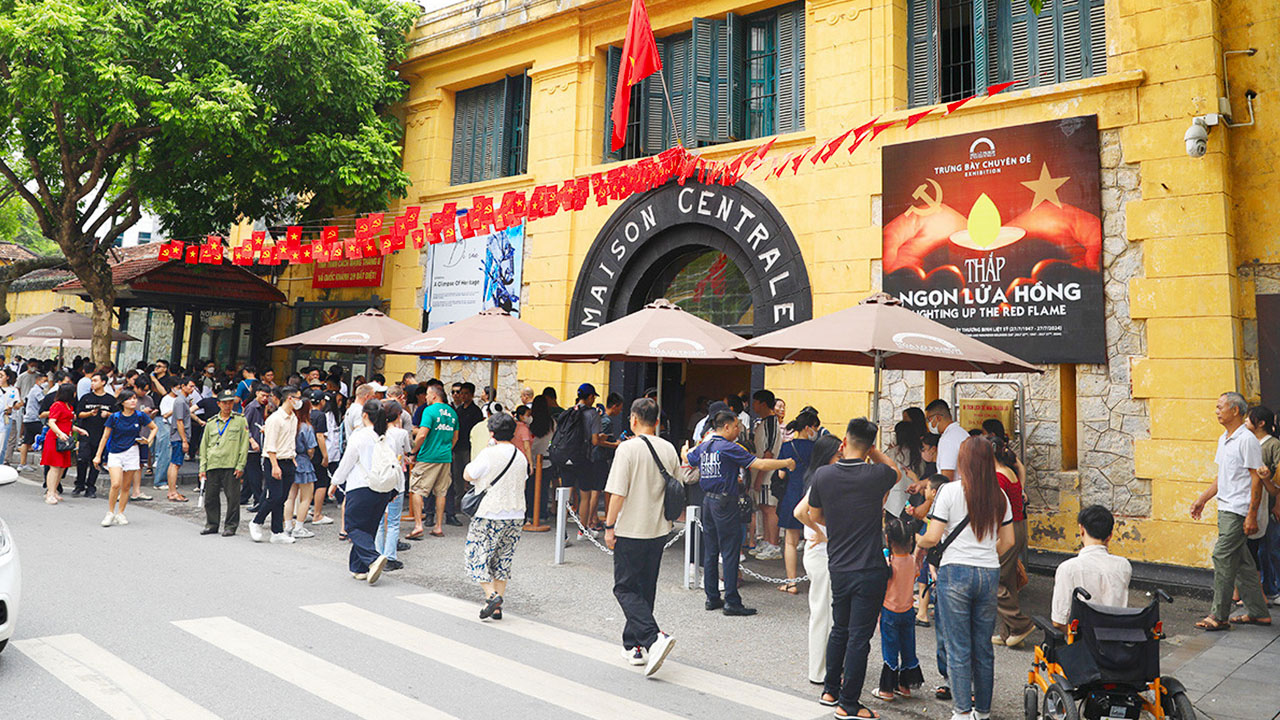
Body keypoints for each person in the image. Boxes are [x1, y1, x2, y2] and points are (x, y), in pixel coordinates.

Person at [804, 418, 901, 719]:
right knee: (860, 637)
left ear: (844, 441)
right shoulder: (876, 474)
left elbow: (815, 513)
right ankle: (849, 704)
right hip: (870, 565)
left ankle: (830, 689)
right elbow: (896, 471)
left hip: (838, 564)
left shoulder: (823, 475)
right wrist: (874, 452)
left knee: (840, 629)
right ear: (870, 446)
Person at [918, 436, 1014, 720]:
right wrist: (985, 554)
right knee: (982, 647)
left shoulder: (948, 491)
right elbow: (1008, 542)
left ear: (963, 462)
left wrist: (918, 541)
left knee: (958, 646)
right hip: (988, 572)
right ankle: (982, 712)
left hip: (955, 572)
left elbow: (933, 537)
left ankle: (962, 712)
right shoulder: (1001, 495)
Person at [686, 410, 795, 617]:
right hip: (725, 503)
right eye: (736, 426)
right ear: (726, 427)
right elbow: (760, 463)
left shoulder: (705, 446)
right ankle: (732, 602)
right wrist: (785, 463)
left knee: (711, 550)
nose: (738, 430)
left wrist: (684, 449)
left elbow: (688, 457)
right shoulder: (728, 447)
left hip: (707, 500)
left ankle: (712, 597)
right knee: (729, 551)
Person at [603, 397, 680, 677]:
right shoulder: (669, 449)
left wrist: (609, 526)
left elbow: (617, 493)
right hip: (658, 528)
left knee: (624, 588)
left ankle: (652, 638)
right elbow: (676, 486)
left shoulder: (627, 449)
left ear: (633, 419)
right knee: (645, 587)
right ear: (657, 421)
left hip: (629, 529)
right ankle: (633, 644)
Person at [1191, 391, 1272, 629]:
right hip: (1226, 508)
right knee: (1242, 562)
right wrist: (1202, 499)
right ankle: (1259, 612)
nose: (1216, 411)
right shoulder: (1225, 438)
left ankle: (1219, 615)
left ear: (1235, 410)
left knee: (1223, 556)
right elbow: (1222, 477)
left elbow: (1255, 480)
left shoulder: (1246, 440)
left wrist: (1251, 515)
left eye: (1220, 407)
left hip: (1238, 510)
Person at [463, 412, 529, 619]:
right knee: (503, 559)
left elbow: (469, 474)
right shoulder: (520, 456)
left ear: (491, 432)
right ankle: (497, 606)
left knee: (477, 555)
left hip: (490, 512)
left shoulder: (488, 453)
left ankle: (491, 596)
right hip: (516, 513)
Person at [793, 433, 843, 685]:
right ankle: (818, 671)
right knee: (822, 613)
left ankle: (826, 666)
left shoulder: (820, 478)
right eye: (838, 456)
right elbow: (799, 512)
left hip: (822, 553)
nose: (841, 460)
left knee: (826, 612)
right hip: (820, 553)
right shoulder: (821, 480)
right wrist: (820, 532)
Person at [329, 399, 395, 584]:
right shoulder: (387, 436)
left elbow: (347, 462)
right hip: (383, 488)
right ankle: (359, 568)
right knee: (368, 527)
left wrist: (335, 482)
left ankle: (373, 559)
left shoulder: (359, 436)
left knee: (352, 526)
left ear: (365, 415)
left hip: (361, 486)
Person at [1051, 505, 1132, 630]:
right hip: (1115, 640)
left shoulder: (1068, 568)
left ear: (1081, 530)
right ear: (1110, 535)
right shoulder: (1124, 566)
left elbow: (1058, 622)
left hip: (1082, 644)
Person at [989, 432, 1034, 648]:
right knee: (1008, 581)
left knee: (994, 580)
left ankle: (1020, 625)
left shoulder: (997, 477)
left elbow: (997, 510)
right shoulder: (1008, 471)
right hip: (1018, 526)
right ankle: (1008, 634)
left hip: (1007, 531)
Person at [874, 515, 924, 703]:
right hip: (908, 611)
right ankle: (905, 685)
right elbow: (916, 573)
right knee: (908, 646)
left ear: (888, 539)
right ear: (910, 540)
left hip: (889, 611)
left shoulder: (888, 562)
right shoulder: (912, 561)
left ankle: (887, 688)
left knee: (890, 649)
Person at [93, 390, 157, 527]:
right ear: (122, 402)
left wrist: (148, 441)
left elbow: (154, 427)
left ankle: (120, 512)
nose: (133, 401)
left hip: (133, 451)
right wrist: (98, 455)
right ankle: (110, 512)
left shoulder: (140, 416)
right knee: (116, 483)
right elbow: (105, 437)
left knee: (126, 486)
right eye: (129, 399)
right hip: (115, 452)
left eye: (134, 398)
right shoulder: (115, 417)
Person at [250, 385, 300, 545]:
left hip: (288, 460)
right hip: (274, 461)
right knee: (274, 496)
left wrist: (293, 459)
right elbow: (270, 445)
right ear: (290, 399)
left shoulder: (293, 418)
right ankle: (257, 521)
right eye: (298, 398)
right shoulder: (275, 419)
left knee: (282, 498)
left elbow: (290, 440)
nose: (300, 402)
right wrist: (275, 465)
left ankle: (277, 531)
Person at [776, 411, 819, 594]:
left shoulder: (787, 447)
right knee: (817, 538)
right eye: (815, 427)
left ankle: (791, 583)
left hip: (793, 495)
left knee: (790, 542)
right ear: (809, 428)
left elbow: (781, 474)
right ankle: (818, 582)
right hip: (814, 496)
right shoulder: (818, 448)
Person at [198, 389, 249, 536]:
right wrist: (203, 467)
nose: (228, 406)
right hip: (213, 463)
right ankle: (212, 524)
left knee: (233, 498)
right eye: (225, 403)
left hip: (231, 464)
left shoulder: (240, 420)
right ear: (219, 404)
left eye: (230, 402)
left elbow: (244, 445)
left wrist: (240, 465)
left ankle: (230, 526)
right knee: (210, 498)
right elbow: (204, 446)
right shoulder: (211, 423)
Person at [410, 384, 457, 538]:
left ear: (435, 396)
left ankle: (418, 525)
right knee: (441, 492)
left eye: (428, 395)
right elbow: (455, 437)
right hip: (445, 457)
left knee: (417, 489)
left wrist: (413, 450)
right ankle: (438, 526)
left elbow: (422, 434)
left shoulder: (429, 411)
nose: (426, 398)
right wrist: (447, 449)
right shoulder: (452, 412)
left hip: (428, 456)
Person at [1244, 406, 1280, 604]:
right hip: (1255, 504)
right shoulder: (1248, 442)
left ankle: (1274, 589)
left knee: (1272, 548)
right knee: (1259, 550)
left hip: (1269, 503)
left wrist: (1278, 504)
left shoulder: (1272, 445)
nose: (1245, 422)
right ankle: (1266, 589)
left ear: (1261, 423)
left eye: (1249, 419)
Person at [375, 399, 413, 572]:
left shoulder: (375, 432)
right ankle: (389, 557)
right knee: (393, 521)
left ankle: (376, 554)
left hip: (378, 479)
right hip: (396, 480)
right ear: (398, 415)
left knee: (379, 520)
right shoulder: (401, 434)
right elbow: (407, 451)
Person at [564, 384, 604, 534]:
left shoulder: (569, 411)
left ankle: (563, 532)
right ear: (590, 397)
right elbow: (594, 441)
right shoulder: (593, 414)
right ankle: (583, 530)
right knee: (585, 495)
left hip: (567, 457)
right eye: (593, 397)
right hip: (584, 458)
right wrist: (602, 438)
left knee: (565, 495)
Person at [750, 389, 784, 561]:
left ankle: (774, 544)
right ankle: (766, 541)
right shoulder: (763, 423)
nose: (753, 405)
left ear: (763, 403)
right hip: (763, 472)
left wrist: (760, 477)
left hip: (768, 474)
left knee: (770, 508)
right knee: (764, 507)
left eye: (755, 402)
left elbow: (768, 452)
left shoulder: (771, 423)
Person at [72, 371, 115, 499]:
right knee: (82, 459)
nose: (92, 383)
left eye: (95, 380)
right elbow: (78, 414)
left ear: (103, 382)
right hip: (86, 433)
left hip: (102, 435)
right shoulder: (86, 398)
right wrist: (90, 413)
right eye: (92, 381)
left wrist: (107, 414)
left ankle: (91, 486)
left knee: (96, 461)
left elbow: (117, 415)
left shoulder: (110, 400)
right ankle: (79, 484)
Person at [41, 383, 84, 504]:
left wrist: (78, 429)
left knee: (61, 467)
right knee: (54, 466)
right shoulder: (57, 405)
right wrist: (60, 433)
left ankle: (54, 491)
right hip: (55, 439)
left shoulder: (68, 406)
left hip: (64, 439)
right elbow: (52, 422)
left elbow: (67, 423)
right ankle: (50, 493)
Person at [449, 382, 483, 525]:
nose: (462, 396)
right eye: (461, 393)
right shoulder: (459, 410)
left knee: (470, 477)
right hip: (457, 447)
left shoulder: (476, 411)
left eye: (466, 393)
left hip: (469, 448)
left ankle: (469, 503)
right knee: (457, 476)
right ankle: (458, 502)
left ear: (472, 394)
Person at [285, 396, 318, 539]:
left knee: (290, 496)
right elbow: (311, 448)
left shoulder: (291, 424)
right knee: (306, 497)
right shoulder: (306, 427)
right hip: (304, 461)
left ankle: (287, 526)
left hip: (290, 459)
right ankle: (299, 527)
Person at [159, 376, 191, 502]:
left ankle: (172, 491)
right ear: (183, 386)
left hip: (179, 436)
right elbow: (179, 421)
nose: (192, 388)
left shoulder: (184, 400)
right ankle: (172, 492)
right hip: (179, 437)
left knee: (175, 463)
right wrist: (184, 440)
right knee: (175, 464)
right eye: (190, 386)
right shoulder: (180, 401)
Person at [240, 383, 269, 510]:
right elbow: (244, 426)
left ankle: (243, 497)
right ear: (257, 393)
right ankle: (258, 499)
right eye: (263, 395)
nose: (265, 398)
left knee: (249, 473)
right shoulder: (252, 407)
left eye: (267, 396)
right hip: (252, 445)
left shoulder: (262, 407)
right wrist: (252, 441)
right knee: (254, 473)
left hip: (258, 443)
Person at [526, 394, 555, 520]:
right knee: (543, 490)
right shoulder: (552, 423)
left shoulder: (528, 422)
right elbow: (552, 441)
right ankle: (542, 514)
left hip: (530, 460)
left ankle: (530, 513)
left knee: (530, 489)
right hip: (547, 460)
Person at [926, 400, 967, 482]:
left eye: (929, 419)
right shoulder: (961, 432)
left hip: (953, 491)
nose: (928, 424)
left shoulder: (948, 439)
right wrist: (921, 484)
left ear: (938, 418)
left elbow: (946, 477)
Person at [19, 368, 48, 471]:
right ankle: (43, 461)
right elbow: (43, 402)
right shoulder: (37, 391)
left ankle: (22, 464)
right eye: (44, 381)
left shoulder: (33, 390)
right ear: (38, 381)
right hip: (34, 418)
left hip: (28, 418)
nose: (46, 384)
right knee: (45, 437)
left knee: (26, 441)